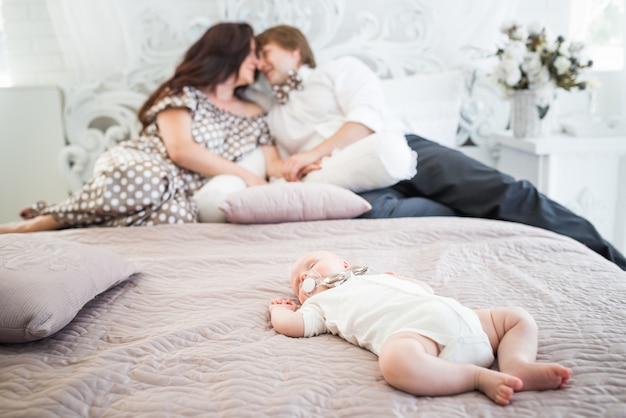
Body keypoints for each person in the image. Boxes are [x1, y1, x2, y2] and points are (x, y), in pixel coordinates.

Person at [255, 25, 626, 271]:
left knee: (508, 194)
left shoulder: (338, 70)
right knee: (376, 220)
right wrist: (298, 167)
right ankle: (486, 226)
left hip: (406, 153)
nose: (259, 63)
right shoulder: (274, 116)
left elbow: (366, 118)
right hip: (360, 184)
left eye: (265, 52)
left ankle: (610, 259)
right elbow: (279, 165)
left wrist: (311, 154)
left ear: (294, 50)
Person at [0, 22, 279, 234]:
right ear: (230, 53)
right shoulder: (184, 94)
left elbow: (274, 163)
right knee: (149, 180)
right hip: (144, 163)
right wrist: (244, 174)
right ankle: (40, 223)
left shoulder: (256, 112)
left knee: (177, 220)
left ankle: (73, 230)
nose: (257, 62)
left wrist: (310, 160)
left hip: (179, 192)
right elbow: (180, 150)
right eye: (252, 53)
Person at [269, 250, 572, 406]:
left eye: (312, 263)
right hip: (420, 337)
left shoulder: (375, 276)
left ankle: (517, 364)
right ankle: (478, 377)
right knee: (394, 360)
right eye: (299, 282)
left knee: (516, 317)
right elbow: (295, 326)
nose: (304, 276)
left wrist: (403, 280)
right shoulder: (319, 305)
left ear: (345, 264)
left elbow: (425, 288)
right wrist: (280, 312)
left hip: (461, 317)